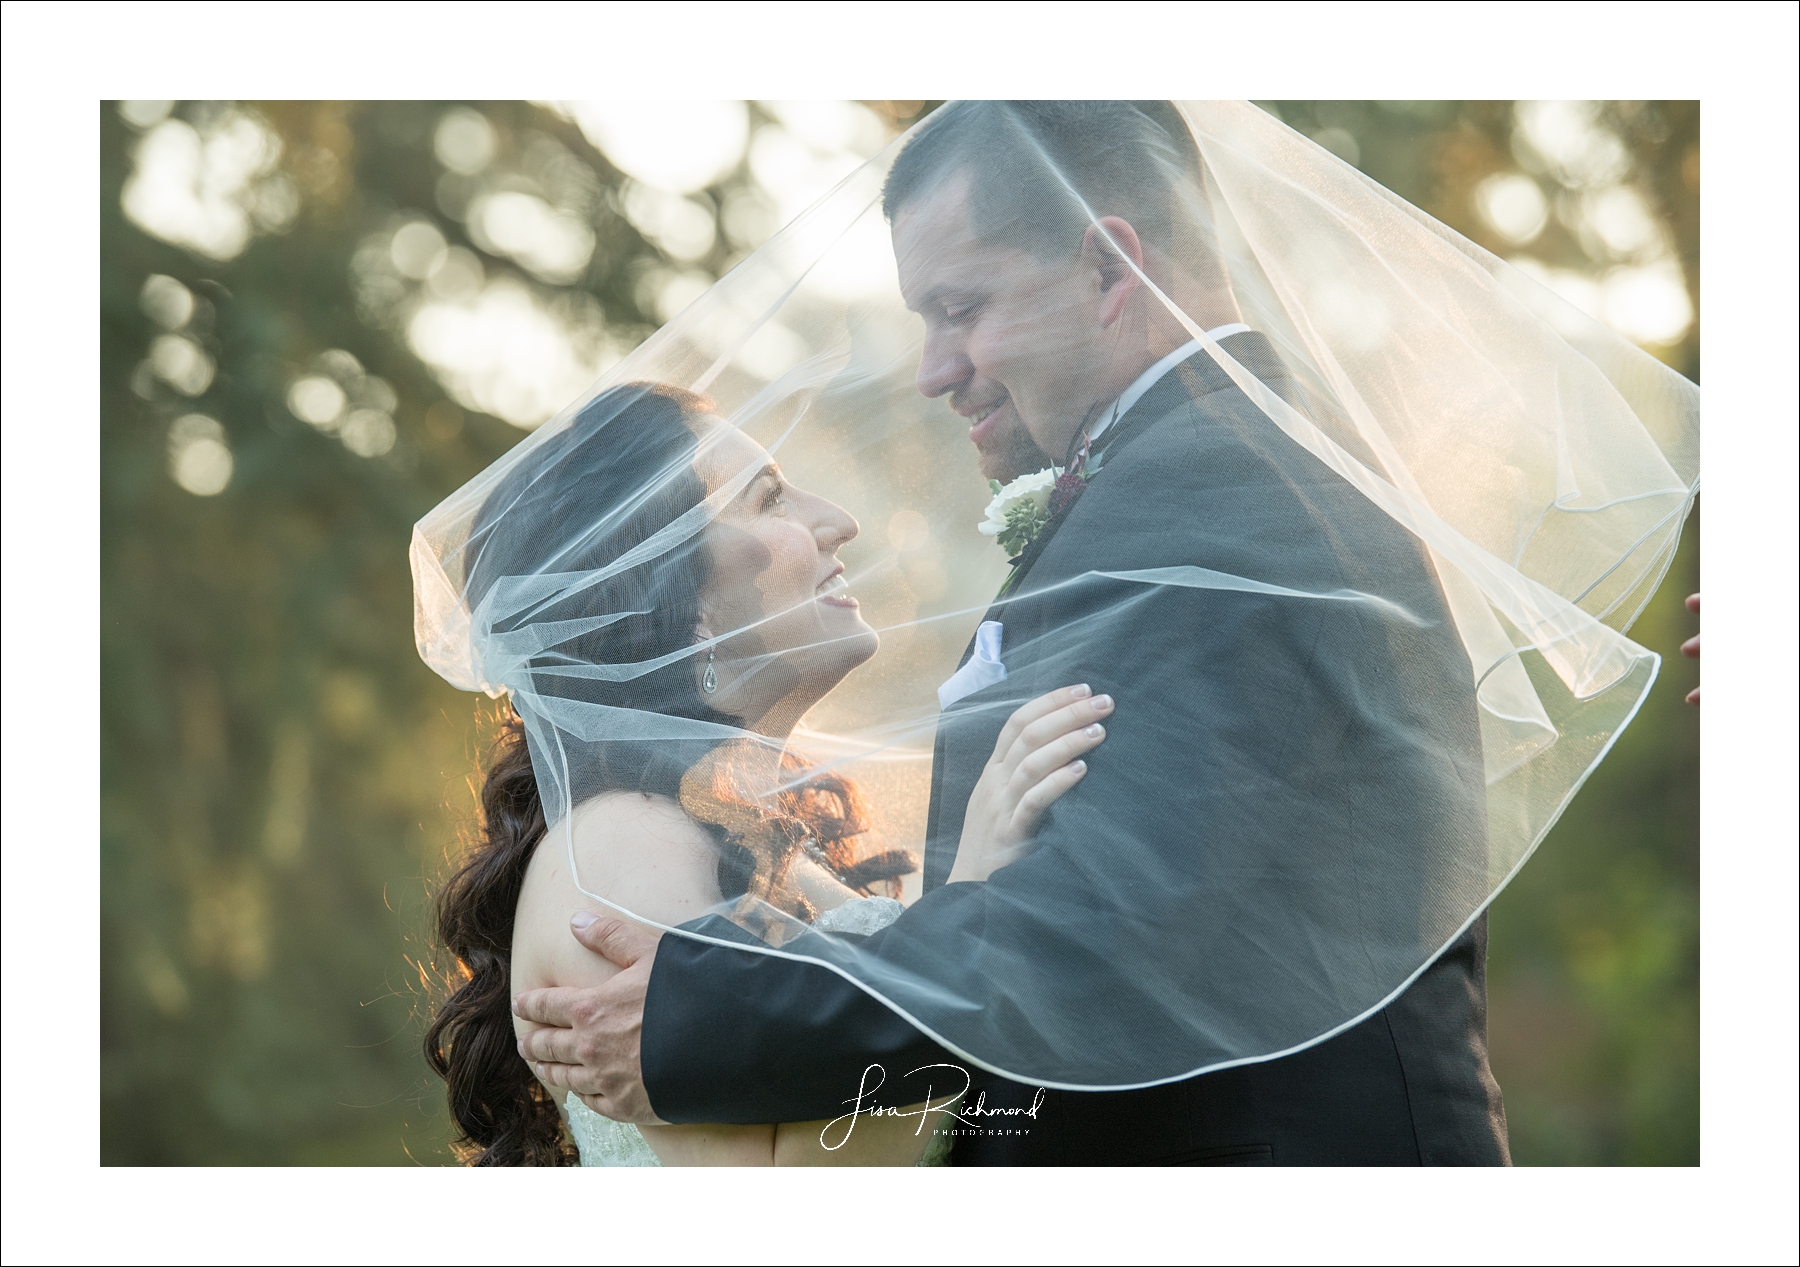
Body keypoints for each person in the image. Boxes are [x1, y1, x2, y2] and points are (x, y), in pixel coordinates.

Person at [514, 103, 1517, 1164]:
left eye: (961, 308)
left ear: (1108, 269)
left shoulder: (1225, 491)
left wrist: (692, 1017)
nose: (932, 369)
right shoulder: (1184, 481)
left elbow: (1098, 932)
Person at [423, 382, 1106, 1164]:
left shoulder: (739, 833)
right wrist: (974, 901)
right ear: (683, 603)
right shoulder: (621, 845)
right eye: (771, 498)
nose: (838, 521)